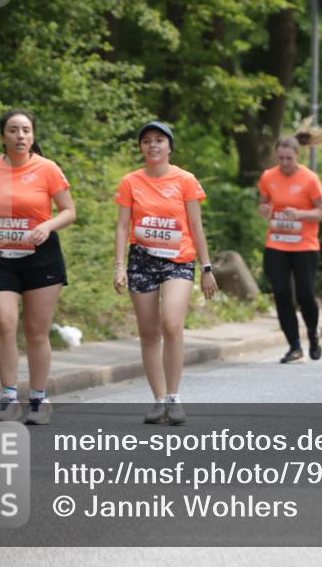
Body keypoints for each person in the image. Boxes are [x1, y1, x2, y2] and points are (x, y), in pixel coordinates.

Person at [0, 110, 76, 425]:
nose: (20, 136)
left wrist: (48, 226)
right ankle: (8, 396)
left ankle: (39, 398)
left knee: (36, 330)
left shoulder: (47, 169)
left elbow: (69, 211)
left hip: (39, 254)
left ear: (32, 137)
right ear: (3, 136)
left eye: (26, 130)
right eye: (14, 130)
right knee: (3, 320)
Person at [114, 121, 218, 425]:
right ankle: (158, 399)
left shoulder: (185, 180)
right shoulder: (130, 182)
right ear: (141, 148)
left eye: (159, 140)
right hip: (141, 260)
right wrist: (119, 266)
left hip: (178, 260)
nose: (153, 145)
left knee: (172, 323)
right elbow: (122, 226)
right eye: (147, 141)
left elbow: (196, 226)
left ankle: (174, 396)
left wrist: (206, 267)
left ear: (170, 147)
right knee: (149, 332)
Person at [258, 137, 322, 363]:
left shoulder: (310, 179)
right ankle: (294, 346)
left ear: (298, 156)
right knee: (281, 294)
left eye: (289, 158)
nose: (285, 163)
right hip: (277, 243)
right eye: (280, 159)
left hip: (304, 245)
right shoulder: (269, 176)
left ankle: (312, 333)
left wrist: (300, 215)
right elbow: (264, 205)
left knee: (305, 295)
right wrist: (265, 210)